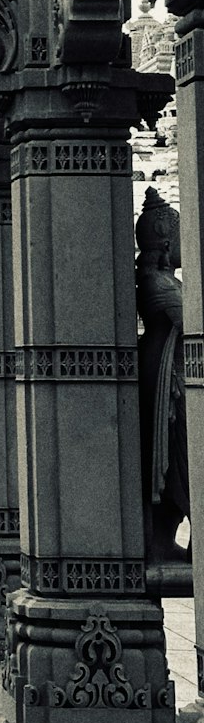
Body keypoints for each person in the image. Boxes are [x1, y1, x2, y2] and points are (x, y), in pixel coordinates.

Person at [135, 188, 191, 562]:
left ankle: (165, 538)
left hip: (169, 372)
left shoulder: (161, 280)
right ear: (165, 236)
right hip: (168, 383)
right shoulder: (158, 283)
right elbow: (193, 320)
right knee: (179, 457)